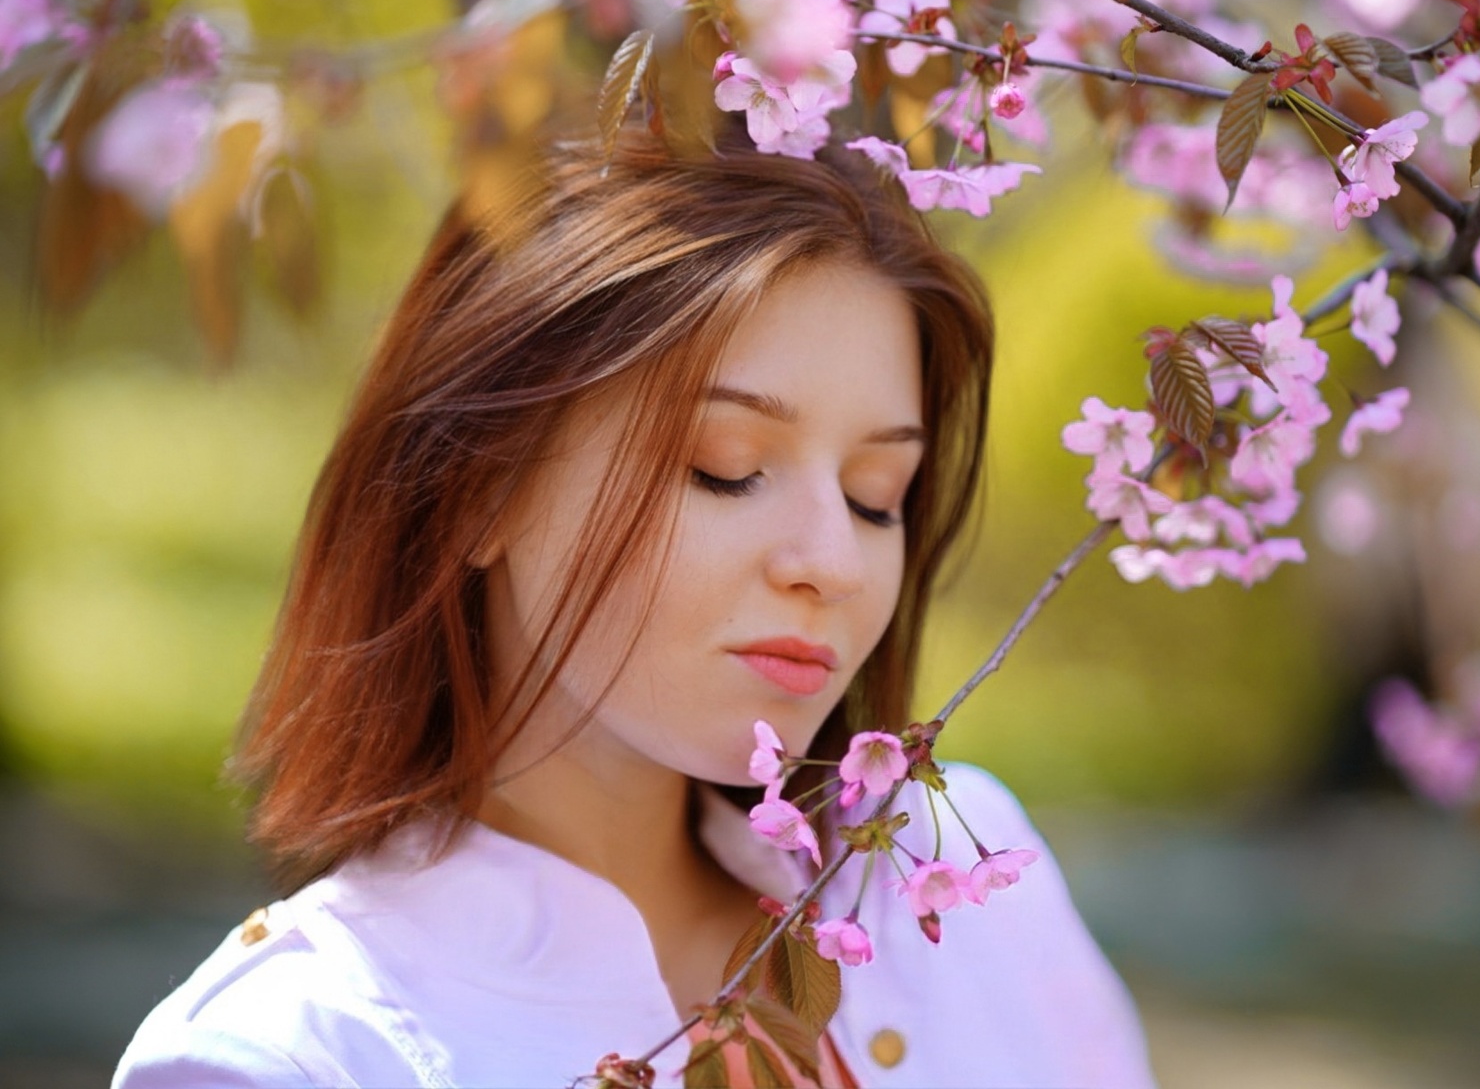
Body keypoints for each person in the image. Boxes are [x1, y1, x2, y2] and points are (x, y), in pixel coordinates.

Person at [112, 124, 1156, 1088]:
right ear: (480, 487)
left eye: (874, 496)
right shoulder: (291, 1056)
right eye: (725, 468)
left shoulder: (950, 877)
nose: (830, 562)